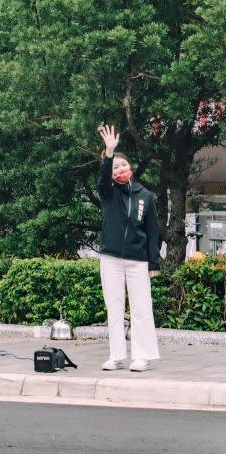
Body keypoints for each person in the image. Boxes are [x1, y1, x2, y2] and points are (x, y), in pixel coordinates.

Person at [97, 125, 161, 372]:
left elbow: (153, 232)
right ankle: (116, 356)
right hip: (111, 258)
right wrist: (109, 152)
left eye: (122, 165)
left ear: (130, 168)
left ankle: (142, 356)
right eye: (115, 167)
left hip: (137, 260)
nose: (119, 169)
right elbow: (101, 180)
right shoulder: (108, 193)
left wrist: (153, 262)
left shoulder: (145, 196)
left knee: (142, 308)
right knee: (113, 307)